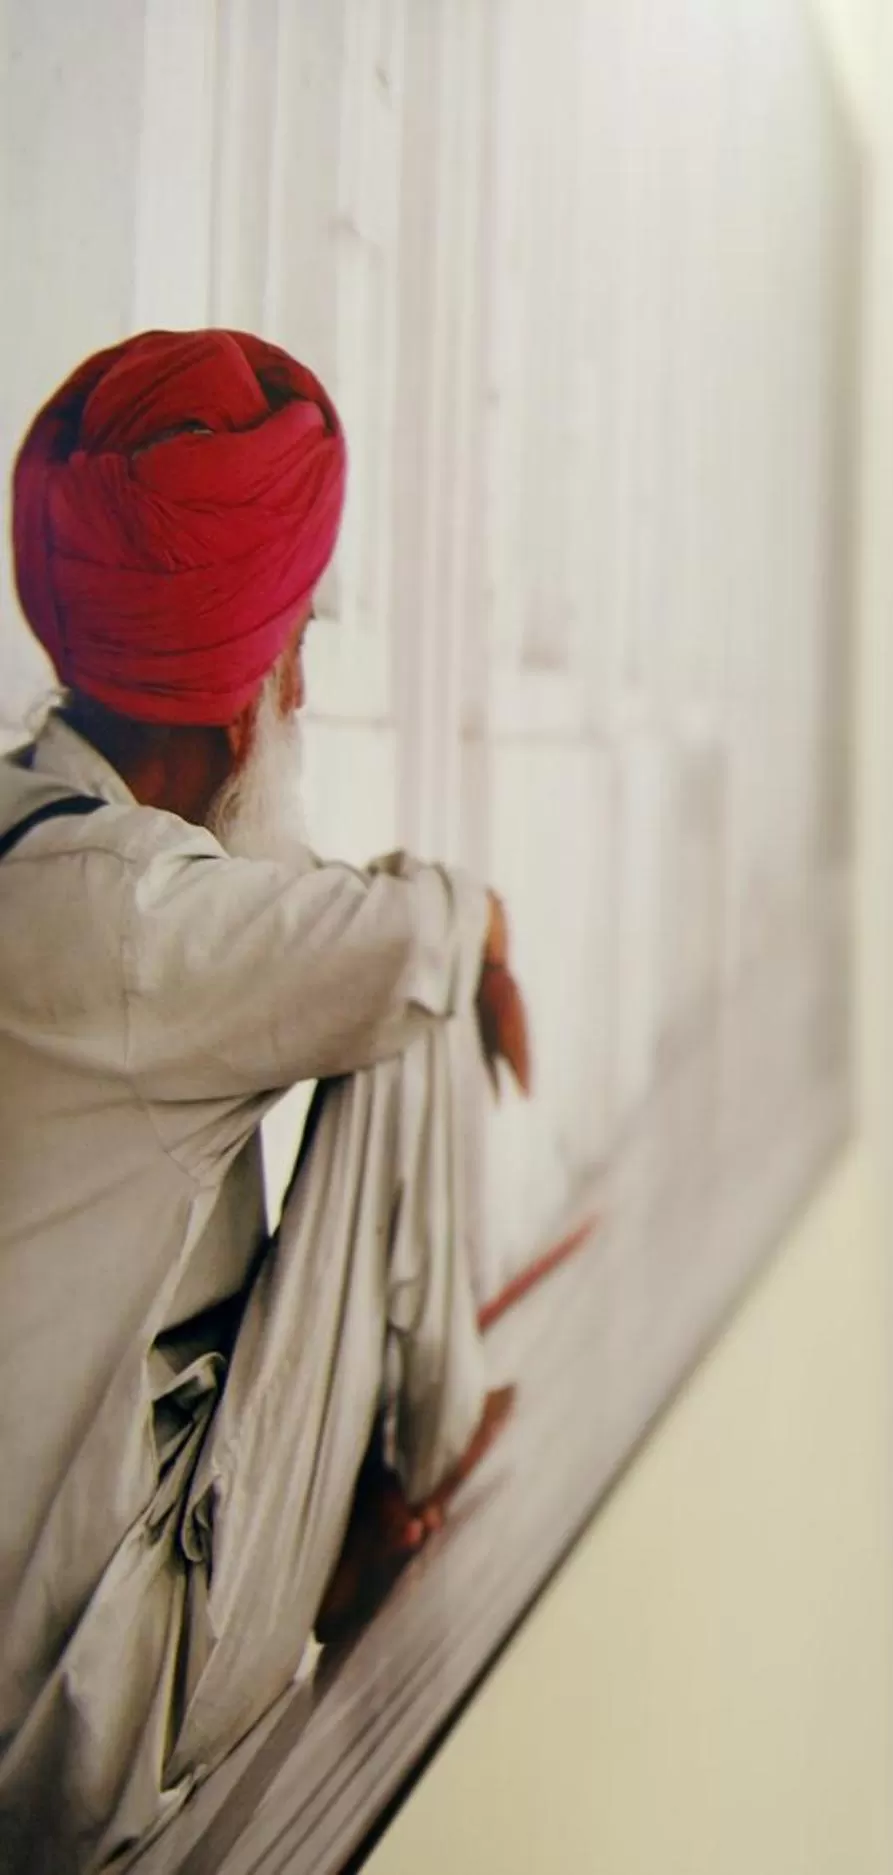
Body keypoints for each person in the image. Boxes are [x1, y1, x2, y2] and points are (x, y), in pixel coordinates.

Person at [0, 330, 533, 1869]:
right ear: (238, 693)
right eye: (292, 644)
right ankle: (424, 1460)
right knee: (412, 975)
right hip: (91, 1720)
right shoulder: (144, 923)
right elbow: (396, 941)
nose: (301, 683)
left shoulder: (39, 841)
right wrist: (484, 927)